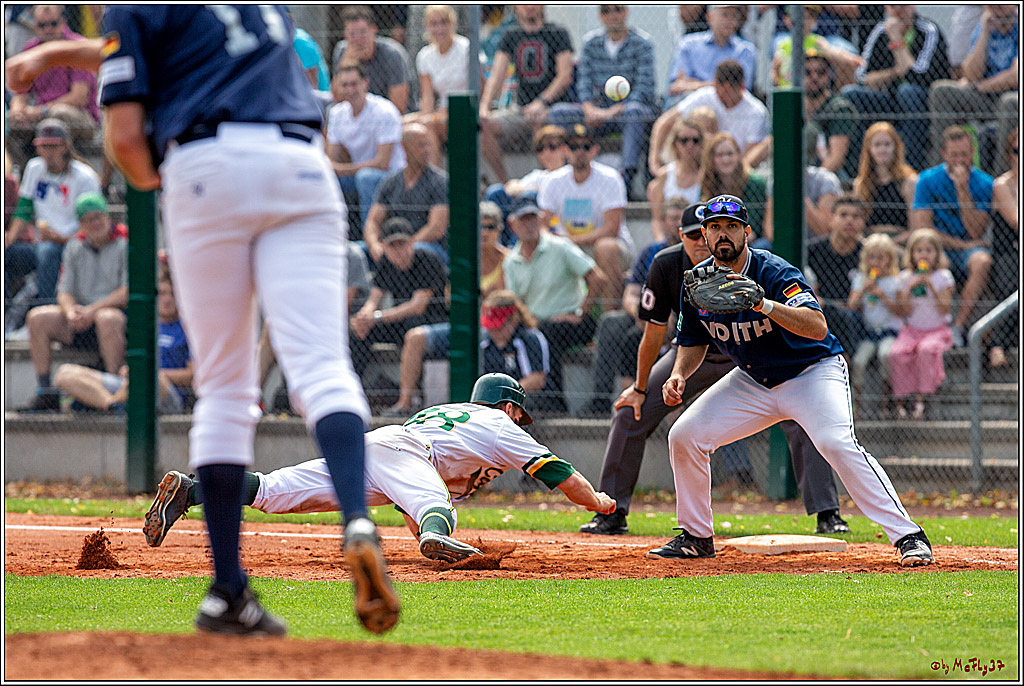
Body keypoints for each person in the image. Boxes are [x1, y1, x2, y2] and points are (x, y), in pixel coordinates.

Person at [4, 5, 401, 635]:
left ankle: (228, 591)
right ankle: (357, 518)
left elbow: (128, 135)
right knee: (323, 368)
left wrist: (182, 183)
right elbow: (182, 44)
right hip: (302, 166)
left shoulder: (137, 6)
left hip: (207, 164)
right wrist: (56, 55)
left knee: (225, 389)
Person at [649, 195, 933, 567]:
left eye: (731, 227)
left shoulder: (773, 272)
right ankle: (697, 537)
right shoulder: (697, 283)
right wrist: (677, 375)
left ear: (747, 232)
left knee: (836, 442)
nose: (723, 234)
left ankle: (908, 536)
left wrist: (763, 304)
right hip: (754, 381)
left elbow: (817, 327)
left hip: (810, 372)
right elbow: (692, 341)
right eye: (715, 226)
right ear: (703, 233)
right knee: (684, 435)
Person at [581, 201, 850, 536]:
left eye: (727, 228)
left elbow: (807, 321)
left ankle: (827, 512)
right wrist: (638, 388)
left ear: (742, 233)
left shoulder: (754, 264)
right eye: (698, 233)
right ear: (687, 236)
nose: (701, 241)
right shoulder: (668, 266)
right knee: (630, 412)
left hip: (757, 352)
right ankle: (612, 511)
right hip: (699, 352)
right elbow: (653, 335)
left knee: (800, 413)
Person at [143, 374, 616, 563]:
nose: (520, 420)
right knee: (435, 504)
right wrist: (598, 501)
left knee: (274, 491)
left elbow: (408, 492)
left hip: (377, 449)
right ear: (509, 406)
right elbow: (559, 473)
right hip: (403, 453)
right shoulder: (497, 424)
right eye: (519, 412)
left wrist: (424, 534)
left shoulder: (455, 413)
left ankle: (194, 489)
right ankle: (441, 532)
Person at [385, 205, 511, 416]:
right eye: (479, 227)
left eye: (490, 227)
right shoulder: (462, 260)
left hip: (495, 328)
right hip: (463, 326)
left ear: (500, 230)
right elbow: (451, 301)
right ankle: (405, 403)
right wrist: (484, 295)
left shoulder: (508, 260)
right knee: (415, 337)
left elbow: (505, 303)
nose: (484, 232)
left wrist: (482, 295)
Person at [18, 192, 126, 412]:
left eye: (99, 217)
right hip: (81, 320)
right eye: (89, 219)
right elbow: (64, 291)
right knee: (37, 317)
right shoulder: (74, 246)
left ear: (108, 217)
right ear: (81, 224)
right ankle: (45, 391)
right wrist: (70, 312)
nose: (95, 223)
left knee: (107, 318)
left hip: (115, 317)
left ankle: (113, 392)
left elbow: (127, 292)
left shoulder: (126, 242)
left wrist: (92, 310)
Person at [580, 198, 685, 418]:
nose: (677, 223)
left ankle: (640, 402)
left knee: (633, 338)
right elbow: (631, 293)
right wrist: (642, 313)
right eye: (673, 218)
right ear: (663, 221)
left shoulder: (695, 252)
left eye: (681, 218)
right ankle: (600, 401)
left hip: (677, 319)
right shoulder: (650, 252)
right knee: (611, 323)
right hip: (645, 314)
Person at [503, 203, 608, 413]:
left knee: (547, 333)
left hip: (576, 322)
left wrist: (580, 311)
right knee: (533, 333)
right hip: (536, 323)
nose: (529, 225)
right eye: (524, 220)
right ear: (513, 225)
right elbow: (515, 302)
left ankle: (554, 402)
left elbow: (597, 278)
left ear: (541, 219)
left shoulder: (560, 246)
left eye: (533, 218)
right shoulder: (511, 261)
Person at [548, 5, 658, 199]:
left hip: (625, 113)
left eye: (617, 9)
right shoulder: (591, 43)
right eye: (606, 11)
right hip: (594, 112)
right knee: (558, 112)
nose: (613, 15)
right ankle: (563, 170)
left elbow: (644, 87)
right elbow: (584, 82)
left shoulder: (642, 43)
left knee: (636, 111)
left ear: (626, 12)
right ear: (600, 16)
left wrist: (611, 112)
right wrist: (589, 108)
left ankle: (627, 178)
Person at [55, 271, 191, 414]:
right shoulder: (145, 324)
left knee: (152, 377)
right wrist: (128, 370)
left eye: (172, 294)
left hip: (165, 391)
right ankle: (113, 406)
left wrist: (152, 373)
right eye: (162, 294)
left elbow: (192, 375)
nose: (167, 299)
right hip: (130, 384)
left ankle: (117, 404)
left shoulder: (187, 328)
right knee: (65, 373)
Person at [911, 126, 994, 347]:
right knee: (934, 259)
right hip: (936, 247)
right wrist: (963, 244)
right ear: (944, 154)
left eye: (964, 154)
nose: (960, 160)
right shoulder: (927, 180)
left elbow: (975, 230)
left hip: (968, 248)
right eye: (954, 155)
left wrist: (962, 190)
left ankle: (958, 326)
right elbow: (924, 230)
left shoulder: (985, 183)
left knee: (982, 261)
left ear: (973, 152)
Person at [537, 123, 634, 310]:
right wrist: (559, 243)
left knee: (606, 248)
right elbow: (543, 224)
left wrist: (569, 241)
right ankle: (553, 319)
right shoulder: (552, 181)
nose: (580, 152)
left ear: (595, 151)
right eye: (574, 147)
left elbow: (611, 230)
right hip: (567, 248)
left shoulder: (611, 178)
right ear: (565, 150)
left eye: (586, 147)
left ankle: (608, 322)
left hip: (607, 249)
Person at [843, 5, 950, 172]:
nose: (898, 10)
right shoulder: (880, 30)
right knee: (850, 95)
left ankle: (909, 169)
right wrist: (894, 72)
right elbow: (862, 78)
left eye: (903, 5)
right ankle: (858, 171)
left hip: (921, 101)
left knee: (907, 92)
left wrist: (897, 40)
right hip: (889, 100)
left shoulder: (928, 30)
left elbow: (918, 75)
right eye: (893, 6)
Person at [6, 118, 101, 306]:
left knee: (48, 252)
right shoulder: (35, 168)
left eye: (53, 146)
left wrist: (63, 238)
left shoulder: (84, 176)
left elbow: (95, 222)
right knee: (8, 253)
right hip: (41, 245)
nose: (48, 152)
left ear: (65, 147)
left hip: (76, 245)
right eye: (44, 146)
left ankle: (44, 311)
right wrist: (9, 238)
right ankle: (7, 315)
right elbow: (24, 210)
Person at [478, 5, 574, 184]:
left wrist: (541, 102)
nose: (529, 7)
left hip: (550, 109)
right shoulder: (511, 35)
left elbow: (564, 76)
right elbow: (497, 76)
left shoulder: (558, 32)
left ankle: (548, 184)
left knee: (539, 120)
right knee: (484, 125)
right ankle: (505, 184)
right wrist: (484, 108)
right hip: (520, 110)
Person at [350, 216, 448, 379]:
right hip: (398, 322)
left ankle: (410, 396)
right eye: (391, 245)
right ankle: (357, 386)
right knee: (358, 330)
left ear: (412, 242)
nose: (397, 250)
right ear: (383, 247)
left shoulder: (427, 259)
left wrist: (378, 317)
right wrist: (364, 316)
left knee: (412, 326)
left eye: (401, 244)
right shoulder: (385, 262)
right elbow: (374, 299)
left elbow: (418, 306)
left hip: (431, 320)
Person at [927, 5, 1018, 174]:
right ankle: (944, 172)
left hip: (1012, 97)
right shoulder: (984, 25)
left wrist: (983, 86)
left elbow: (1015, 75)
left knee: (1010, 103)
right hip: (986, 97)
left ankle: (1001, 179)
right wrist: (984, 33)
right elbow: (970, 73)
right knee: (942, 91)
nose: (996, 7)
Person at [325, 63, 406, 232]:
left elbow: (382, 163)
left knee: (365, 178)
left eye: (354, 84)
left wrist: (342, 169)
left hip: (391, 177)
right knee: (327, 178)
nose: (349, 90)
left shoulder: (384, 111)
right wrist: (336, 169)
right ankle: (333, 233)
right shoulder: (336, 114)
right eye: (345, 85)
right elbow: (330, 159)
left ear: (365, 83)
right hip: (357, 174)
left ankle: (368, 238)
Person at [7, 5, 99, 147]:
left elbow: (79, 97)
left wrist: (41, 111)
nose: (48, 29)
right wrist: (17, 110)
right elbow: (20, 94)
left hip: (79, 117)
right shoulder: (31, 49)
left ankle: (66, 163)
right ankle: (22, 167)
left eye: (53, 24)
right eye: (42, 25)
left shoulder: (77, 47)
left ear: (63, 22)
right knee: (9, 120)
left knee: (58, 114)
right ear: (35, 25)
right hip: (41, 115)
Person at [651, 60, 768, 172]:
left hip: (735, 169)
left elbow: (749, 155)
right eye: (719, 89)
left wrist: (730, 172)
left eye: (728, 92)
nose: (722, 96)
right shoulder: (705, 96)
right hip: (701, 170)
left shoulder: (756, 111)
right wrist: (655, 164)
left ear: (741, 87)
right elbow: (664, 122)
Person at [889, 228, 955, 420]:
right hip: (912, 331)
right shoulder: (905, 278)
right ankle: (901, 404)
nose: (924, 254)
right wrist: (909, 288)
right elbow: (904, 311)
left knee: (926, 351)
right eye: (919, 250)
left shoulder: (943, 277)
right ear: (911, 254)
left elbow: (945, 309)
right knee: (897, 353)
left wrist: (932, 287)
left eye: (929, 250)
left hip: (936, 331)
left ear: (937, 254)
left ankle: (920, 402)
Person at [363, 121, 449, 264]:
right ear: (404, 148)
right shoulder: (390, 182)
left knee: (421, 250)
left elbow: (436, 228)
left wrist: (406, 247)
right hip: (391, 245)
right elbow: (373, 221)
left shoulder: (440, 182)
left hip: (425, 247)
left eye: (428, 144)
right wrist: (374, 245)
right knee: (356, 252)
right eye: (421, 145)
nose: (426, 150)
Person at [847, 233, 904, 418]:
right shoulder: (861, 279)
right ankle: (858, 406)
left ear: (889, 259)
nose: (875, 262)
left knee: (885, 355)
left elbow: (901, 311)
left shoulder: (895, 281)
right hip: (870, 332)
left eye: (880, 257)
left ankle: (885, 403)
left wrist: (883, 296)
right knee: (859, 361)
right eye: (871, 257)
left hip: (890, 332)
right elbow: (851, 305)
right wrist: (864, 289)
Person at [404, 5, 470, 164]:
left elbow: (478, 87)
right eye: (434, 23)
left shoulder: (466, 48)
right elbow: (427, 95)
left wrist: (431, 117)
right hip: (438, 113)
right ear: (427, 26)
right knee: (399, 124)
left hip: (464, 110)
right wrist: (426, 115)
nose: (439, 28)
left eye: (443, 22)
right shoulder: (424, 55)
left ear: (452, 24)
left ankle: (434, 181)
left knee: (429, 125)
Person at [484, 125, 569, 247]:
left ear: (564, 150)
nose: (546, 153)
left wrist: (535, 192)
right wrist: (528, 189)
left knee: (530, 198)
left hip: (552, 222)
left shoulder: (569, 175)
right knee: (496, 192)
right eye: (541, 148)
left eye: (552, 147)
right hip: (524, 213)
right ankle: (493, 245)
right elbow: (511, 187)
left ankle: (514, 249)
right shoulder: (538, 175)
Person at [806, 195, 868, 356]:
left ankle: (846, 369)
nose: (849, 221)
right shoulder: (811, 251)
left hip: (856, 316)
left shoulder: (867, 254)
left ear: (863, 223)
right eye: (843, 215)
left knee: (845, 318)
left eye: (856, 216)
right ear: (831, 220)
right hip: (818, 309)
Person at [665, 5, 755, 107]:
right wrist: (720, 85)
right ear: (709, 17)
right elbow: (676, 86)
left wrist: (694, 85)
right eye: (724, 15)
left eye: (734, 16)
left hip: (728, 106)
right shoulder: (688, 44)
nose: (730, 20)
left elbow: (740, 89)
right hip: (692, 105)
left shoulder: (745, 50)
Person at [332, 5, 414, 114]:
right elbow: (337, 99)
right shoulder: (342, 51)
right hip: (355, 117)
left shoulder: (393, 54)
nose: (358, 39)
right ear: (345, 35)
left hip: (391, 118)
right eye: (352, 34)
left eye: (362, 32)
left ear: (373, 30)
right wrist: (346, 63)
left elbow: (398, 107)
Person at [698, 132, 771, 248]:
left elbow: (755, 225)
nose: (726, 159)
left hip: (749, 239)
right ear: (711, 159)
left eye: (730, 154)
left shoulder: (753, 182)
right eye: (720, 155)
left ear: (738, 155)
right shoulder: (708, 183)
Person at [799, 49, 858, 183]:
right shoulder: (794, 106)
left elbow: (836, 159)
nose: (814, 77)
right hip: (802, 174)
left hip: (833, 178)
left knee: (811, 130)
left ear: (829, 76)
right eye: (807, 72)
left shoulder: (839, 108)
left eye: (821, 72)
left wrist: (809, 186)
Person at [771, 5, 863, 89]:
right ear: (787, 20)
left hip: (810, 90)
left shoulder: (817, 41)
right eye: (800, 17)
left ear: (814, 21)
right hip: (788, 89)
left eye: (808, 17)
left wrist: (851, 59)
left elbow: (832, 51)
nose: (803, 21)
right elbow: (775, 68)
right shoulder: (783, 44)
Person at [852, 122, 918, 236]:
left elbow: (914, 229)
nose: (882, 150)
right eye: (877, 145)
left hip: (899, 240)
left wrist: (891, 243)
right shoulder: (860, 184)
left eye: (887, 144)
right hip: (870, 241)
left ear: (896, 147)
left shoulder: (909, 182)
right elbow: (858, 225)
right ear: (869, 149)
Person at [987, 128, 1019, 369]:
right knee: (1011, 280)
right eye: (1017, 151)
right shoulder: (1003, 183)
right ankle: (997, 346)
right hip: (1008, 251)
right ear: (1010, 154)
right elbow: (1016, 220)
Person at [647, 116, 704, 242]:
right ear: (675, 143)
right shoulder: (665, 175)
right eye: (684, 140)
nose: (690, 145)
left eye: (695, 140)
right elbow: (657, 220)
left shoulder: (707, 176)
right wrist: (662, 243)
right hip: (669, 240)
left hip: (699, 240)